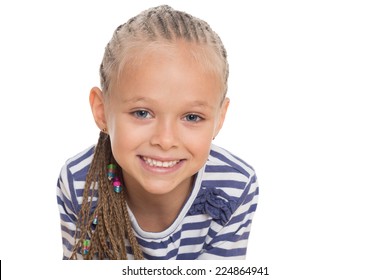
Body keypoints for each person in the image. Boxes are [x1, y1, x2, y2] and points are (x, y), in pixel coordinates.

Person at [57, 5, 259, 260]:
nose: (165, 140)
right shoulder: (80, 183)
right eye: (142, 113)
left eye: (192, 117)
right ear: (101, 111)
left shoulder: (234, 186)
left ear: (219, 119)